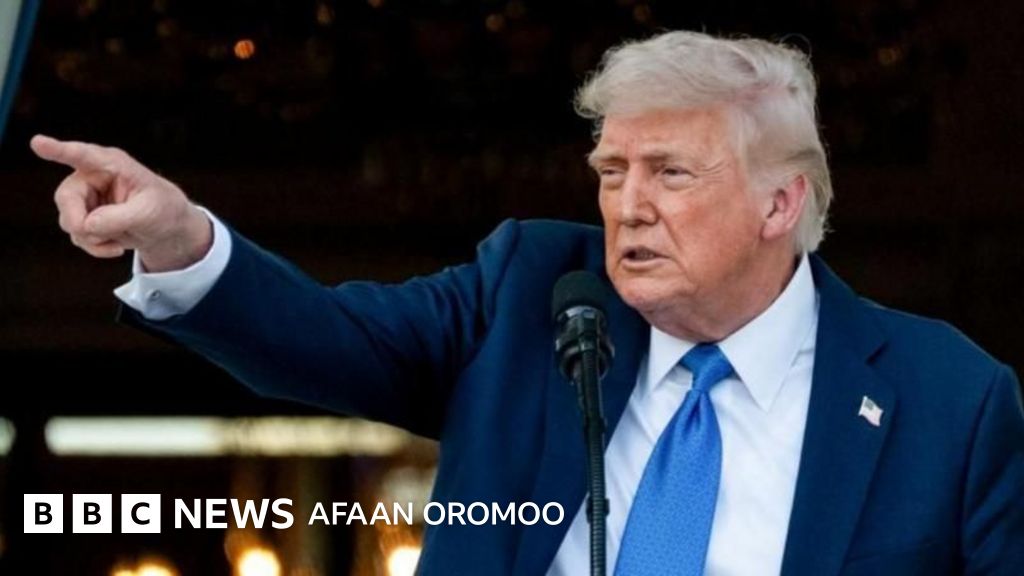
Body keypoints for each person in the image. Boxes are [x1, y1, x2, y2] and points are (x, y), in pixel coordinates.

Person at [32, 30, 1023, 576]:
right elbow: (325, 340)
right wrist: (179, 240)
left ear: (780, 203)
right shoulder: (533, 296)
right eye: (612, 171)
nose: (627, 205)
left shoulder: (952, 400)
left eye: (671, 172)